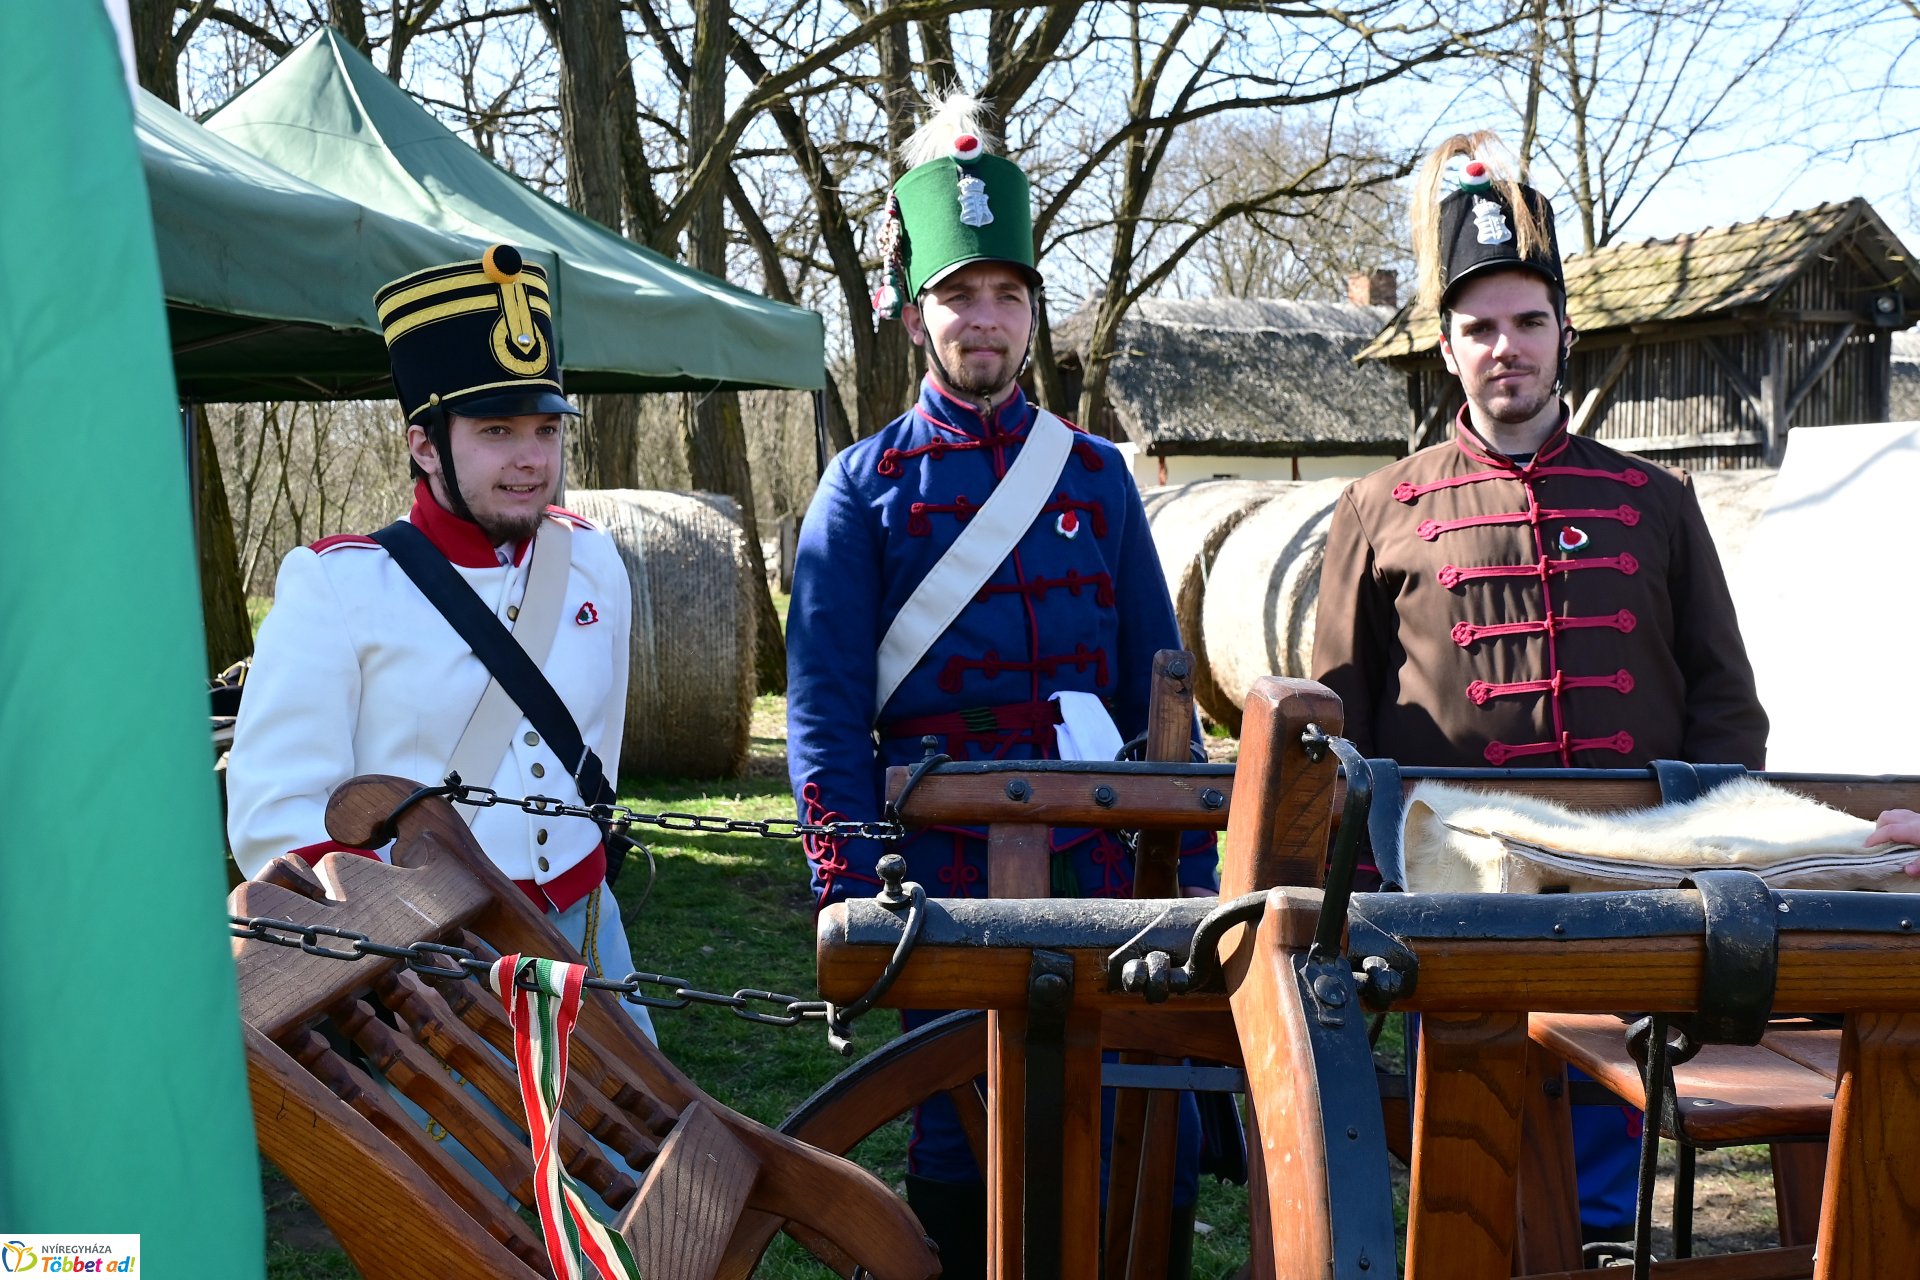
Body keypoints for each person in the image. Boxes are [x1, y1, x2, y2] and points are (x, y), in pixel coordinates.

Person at [1311, 133, 1770, 1246]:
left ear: (1565, 333)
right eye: (1479, 328)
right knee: (1469, 1163)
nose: (1504, 347)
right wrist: (1364, 879)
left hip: (1631, 878)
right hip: (1451, 884)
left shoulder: (1656, 502)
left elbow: (1725, 698)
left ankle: (1603, 1249)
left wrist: (1705, 850)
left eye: (1527, 321)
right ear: (1447, 347)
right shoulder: (1375, 508)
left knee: (1608, 1160)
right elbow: (1338, 715)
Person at [785, 94, 1215, 1278]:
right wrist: (850, 884)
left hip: (1101, 862)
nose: (985, 318)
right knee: (960, 1132)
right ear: (915, 313)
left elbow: (1159, 683)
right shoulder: (861, 488)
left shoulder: (1098, 476)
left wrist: (1192, 869)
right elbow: (824, 710)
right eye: (960, 294)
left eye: (1007, 294)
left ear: (1032, 312)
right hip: (939, 865)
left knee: (1134, 1126)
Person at [227, 243, 652, 1042]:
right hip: (428, 961)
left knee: (643, 1122)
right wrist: (391, 938)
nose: (531, 459)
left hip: (588, 930)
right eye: (496, 430)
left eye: (545, 429)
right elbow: (272, 814)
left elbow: (601, 750)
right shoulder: (337, 585)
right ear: (424, 445)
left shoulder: (593, 561)